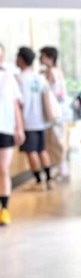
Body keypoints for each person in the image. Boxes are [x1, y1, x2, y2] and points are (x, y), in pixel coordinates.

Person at [15, 46, 53, 190]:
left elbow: (19, 101)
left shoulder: (19, 79)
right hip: (41, 120)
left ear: (21, 59)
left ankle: (38, 182)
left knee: (31, 152)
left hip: (27, 121)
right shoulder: (40, 77)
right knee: (41, 150)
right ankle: (49, 179)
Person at [0, 42, 25, 224]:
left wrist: (19, 127)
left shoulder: (9, 77)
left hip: (5, 128)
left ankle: (4, 209)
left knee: (3, 169)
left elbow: (15, 104)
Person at [39, 45, 70, 180]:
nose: (40, 58)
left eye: (42, 56)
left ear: (49, 58)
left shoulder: (51, 72)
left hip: (56, 111)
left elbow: (51, 91)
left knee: (57, 140)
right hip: (60, 110)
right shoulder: (57, 71)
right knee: (57, 139)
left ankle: (63, 169)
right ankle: (61, 168)